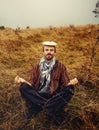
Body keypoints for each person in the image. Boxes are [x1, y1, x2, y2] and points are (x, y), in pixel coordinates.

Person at [15, 41, 78, 126]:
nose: (49, 52)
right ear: (43, 52)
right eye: (47, 50)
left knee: (70, 89)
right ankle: (49, 107)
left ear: (54, 52)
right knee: (23, 87)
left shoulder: (60, 66)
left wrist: (72, 83)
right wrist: (23, 81)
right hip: (38, 95)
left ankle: (42, 107)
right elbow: (32, 83)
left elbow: (65, 83)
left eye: (51, 50)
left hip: (53, 95)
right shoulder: (36, 66)